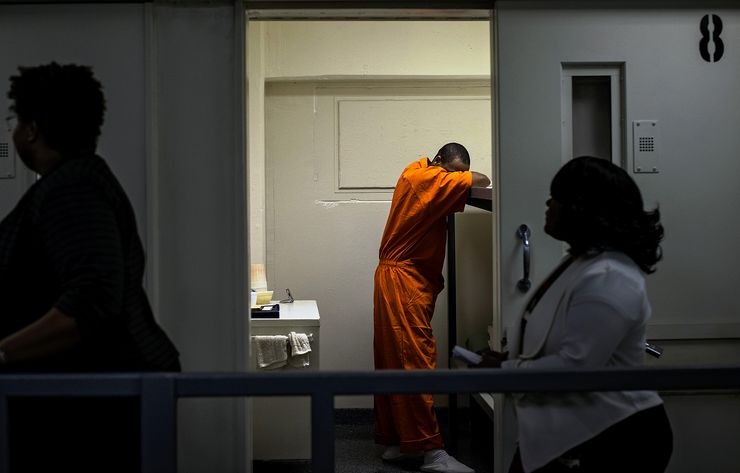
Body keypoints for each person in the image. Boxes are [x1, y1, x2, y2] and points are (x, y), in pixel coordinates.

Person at [1, 62, 180, 472]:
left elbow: (93, 299)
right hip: (87, 397)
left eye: (15, 120)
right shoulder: (76, 182)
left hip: (86, 405)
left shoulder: (72, 188)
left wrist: (3, 352)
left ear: (31, 129)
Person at [481, 156, 672, 473]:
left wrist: (507, 370)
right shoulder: (582, 262)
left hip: (617, 439)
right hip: (576, 434)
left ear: (582, 208)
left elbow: (577, 366)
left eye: (556, 196)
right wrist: (507, 359)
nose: (547, 203)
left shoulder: (610, 276)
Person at [373, 142, 490, 473]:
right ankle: (431, 453)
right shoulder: (427, 177)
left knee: (394, 362)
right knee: (415, 363)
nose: (454, 180)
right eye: (452, 172)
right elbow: (481, 180)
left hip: (396, 279)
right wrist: (462, 176)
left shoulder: (416, 174)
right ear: (439, 162)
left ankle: (399, 442)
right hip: (404, 282)